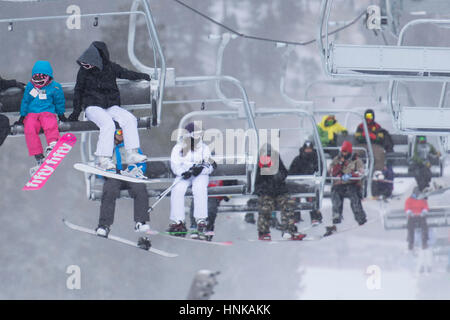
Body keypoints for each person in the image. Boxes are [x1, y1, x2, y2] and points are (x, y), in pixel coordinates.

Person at [69, 41, 150, 172]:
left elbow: (126, 73)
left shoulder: (111, 68)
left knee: (130, 119)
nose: (86, 66)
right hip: (93, 106)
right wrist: (76, 111)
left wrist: (143, 76)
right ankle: (103, 159)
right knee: (108, 124)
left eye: (88, 64)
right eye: (84, 64)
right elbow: (78, 90)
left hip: (110, 106)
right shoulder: (84, 72)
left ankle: (132, 152)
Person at [14, 60, 66, 176]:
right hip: (32, 114)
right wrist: (22, 117)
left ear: (48, 77)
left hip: (47, 112)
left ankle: (53, 143)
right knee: (29, 129)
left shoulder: (55, 87)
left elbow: (59, 102)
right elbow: (26, 102)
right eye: (36, 78)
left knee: (49, 123)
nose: (38, 81)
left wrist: (61, 114)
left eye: (41, 78)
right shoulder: (30, 87)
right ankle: (38, 156)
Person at [95, 129, 150, 237]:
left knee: (140, 188)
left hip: (129, 175)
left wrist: (136, 171)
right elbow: (99, 166)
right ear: (113, 134)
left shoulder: (132, 147)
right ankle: (104, 225)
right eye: (119, 133)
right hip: (114, 176)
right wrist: (105, 173)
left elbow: (141, 163)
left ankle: (141, 221)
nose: (122, 135)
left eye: (124, 132)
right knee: (109, 190)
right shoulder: (106, 147)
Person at [167, 122, 216, 239]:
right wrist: (182, 172)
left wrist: (200, 170)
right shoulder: (179, 148)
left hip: (200, 175)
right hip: (184, 175)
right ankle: (178, 221)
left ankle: (201, 220)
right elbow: (175, 164)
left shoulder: (204, 148)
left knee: (199, 189)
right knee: (177, 189)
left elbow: (210, 164)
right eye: (195, 135)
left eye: (199, 135)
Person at [254, 143, 306, 241]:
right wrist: (264, 187)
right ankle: (263, 232)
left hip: (279, 190)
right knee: (266, 206)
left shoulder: (276, 160)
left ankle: (288, 229)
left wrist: (279, 175)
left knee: (288, 204)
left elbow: (285, 173)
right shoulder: (259, 165)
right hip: (266, 191)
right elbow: (257, 181)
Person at [328, 140, 367, 230]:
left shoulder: (356, 160)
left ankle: (360, 217)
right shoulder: (337, 159)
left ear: (349, 151)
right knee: (335, 193)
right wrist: (339, 166)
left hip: (352, 183)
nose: (343, 153)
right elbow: (331, 171)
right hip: (340, 184)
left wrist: (350, 175)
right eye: (342, 151)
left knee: (354, 196)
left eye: (345, 152)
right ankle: (336, 214)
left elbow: (361, 172)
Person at [288, 140, 323, 225]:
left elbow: (320, 170)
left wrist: (316, 178)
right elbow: (291, 171)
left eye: (309, 149)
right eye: (306, 149)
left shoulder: (316, 159)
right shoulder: (298, 159)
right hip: (298, 184)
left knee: (312, 197)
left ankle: (315, 217)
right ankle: (296, 216)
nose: (308, 151)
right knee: (294, 198)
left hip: (310, 184)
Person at [404, 187, 429, 251]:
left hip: (421, 216)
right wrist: (410, 213)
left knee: (424, 226)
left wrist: (423, 212)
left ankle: (424, 243)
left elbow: (425, 207)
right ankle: (411, 243)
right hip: (412, 216)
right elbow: (407, 208)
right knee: (410, 227)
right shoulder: (409, 200)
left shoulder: (423, 200)